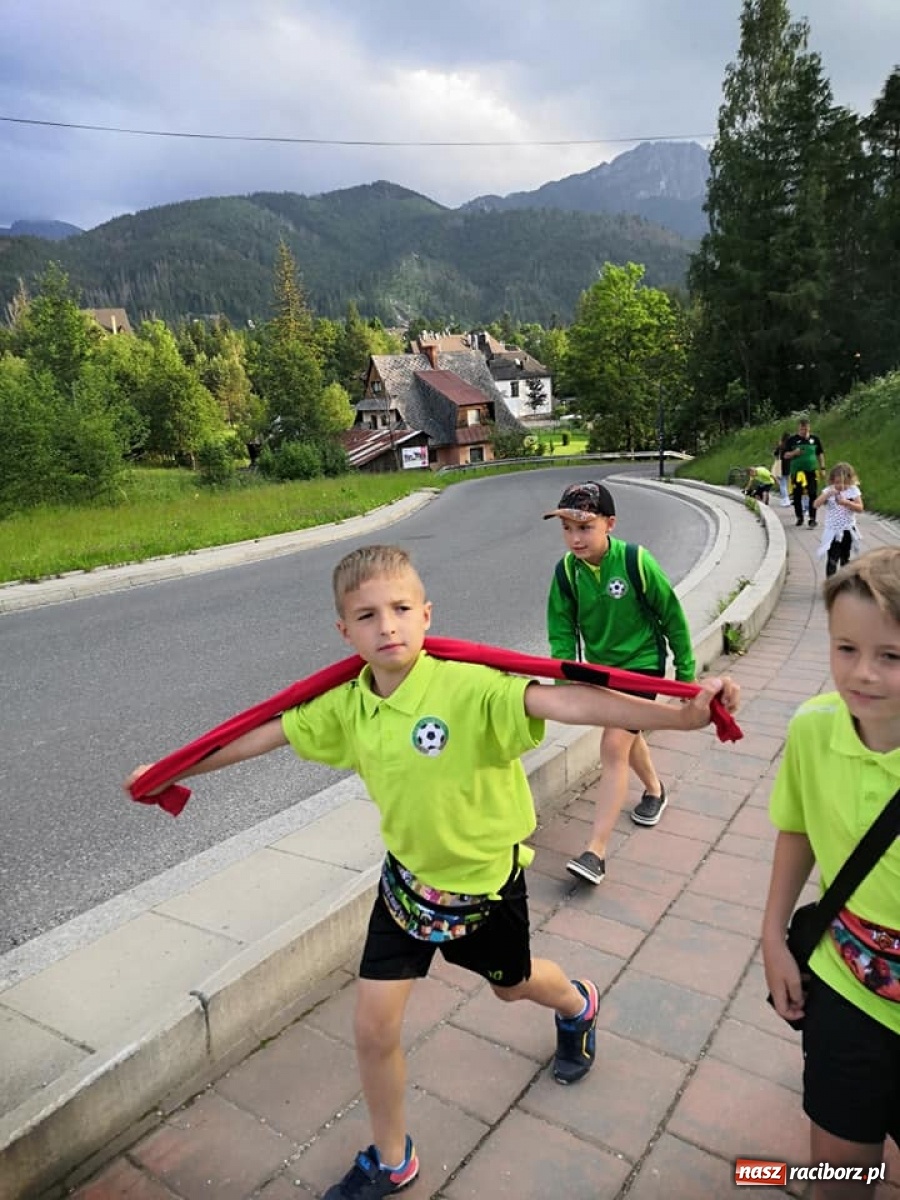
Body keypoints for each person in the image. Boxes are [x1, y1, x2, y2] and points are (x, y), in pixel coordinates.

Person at [125, 543, 739, 1200]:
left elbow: (572, 704)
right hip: (406, 892)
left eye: (398, 609)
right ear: (345, 631)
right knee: (372, 1027)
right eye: (366, 615)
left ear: (425, 614)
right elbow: (267, 732)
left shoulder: (468, 687)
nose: (385, 626)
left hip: (484, 891)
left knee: (514, 987)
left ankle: (578, 1003)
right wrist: (172, 772)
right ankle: (394, 1160)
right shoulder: (348, 707)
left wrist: (679, 715)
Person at [762, 548, 900, 1198]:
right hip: (847, 984)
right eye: (845, 648)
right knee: (840, 1180)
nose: (863, 674)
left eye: (891, 657)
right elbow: (798, 827)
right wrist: (771, 937)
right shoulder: (813, 730)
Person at [544, 481, 696, 885]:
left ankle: (596, 850)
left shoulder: (635, 561)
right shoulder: (566, 573)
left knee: (613, 745)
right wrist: (565, 680)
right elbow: (560, 629)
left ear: (609, 524)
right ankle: (655, 789)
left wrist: (686, 674)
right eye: (567, 529)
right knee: (626, 736)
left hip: (643, 666)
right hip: (601, 673)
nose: (575, 538)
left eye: (585, 527)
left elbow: (672, 616)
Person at [813, 462, 864, 577]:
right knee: (832, 558)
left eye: (845, 483)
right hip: (833, 531)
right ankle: (831, 584)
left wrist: (847, 503)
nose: (841, 486)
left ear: (850, 481)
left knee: (845, 557)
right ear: (832, 481)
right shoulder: (829, 490)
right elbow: (815, 504)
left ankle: (843, 582)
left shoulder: (853, 490)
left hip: (847, 529)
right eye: (837, 483)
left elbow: (860, 508)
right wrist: (827, 495)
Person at [783, 417, 825, 529]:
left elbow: (820, 454)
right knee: (797, 495)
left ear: (809, 428)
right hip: (797, 472)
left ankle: (812, 518)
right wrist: (794, 453)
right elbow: (785, 455)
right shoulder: (792, 440)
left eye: (806, 429)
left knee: (812, 493)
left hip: (811, 471)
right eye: (802, 429)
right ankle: (799, 516)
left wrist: (822, 468)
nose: (804, 431)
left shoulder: (814, 439)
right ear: (798, 429)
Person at [774, 432, 792, 506]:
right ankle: (784, 499)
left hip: (781, 466)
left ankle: (786, 500)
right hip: (789, 466)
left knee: (782, 484)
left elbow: (775, 454)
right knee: (786, 483)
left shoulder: (781, 446)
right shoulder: (791, 446)